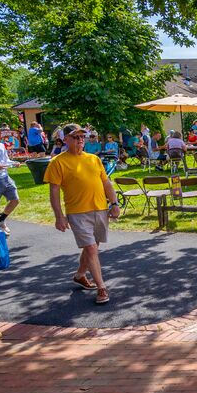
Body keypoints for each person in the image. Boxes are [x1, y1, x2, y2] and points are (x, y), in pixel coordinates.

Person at [45, 124, 121, 306]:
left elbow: (106, 183)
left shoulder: (94, 159)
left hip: (100, 209)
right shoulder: (58, 162)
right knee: (92, 249)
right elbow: (54, 192)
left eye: (82, 137)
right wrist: (59, 216)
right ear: (66, 140)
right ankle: (102, 288)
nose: (80, 140)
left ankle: (80, 275)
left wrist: (114, 203)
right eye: (76, 137)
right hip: (77, 212)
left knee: (93, 246)